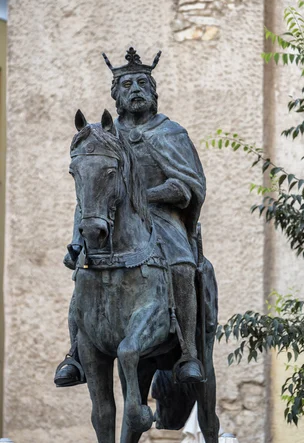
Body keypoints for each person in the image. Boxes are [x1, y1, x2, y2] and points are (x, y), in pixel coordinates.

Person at [54, 47, 206, 386]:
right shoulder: (105, 135)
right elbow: (90, 189)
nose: (135, 89)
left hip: (161, 218)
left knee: (181, 264)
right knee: (83, 269)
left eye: (142, 83)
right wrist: (77, 239)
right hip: (111, 220)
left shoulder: (171, 133)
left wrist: (143, 196)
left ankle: (187, 353)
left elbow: (185, 187)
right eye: (126, 85)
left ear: (153, 92)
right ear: (116, 96)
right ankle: (76, 355)